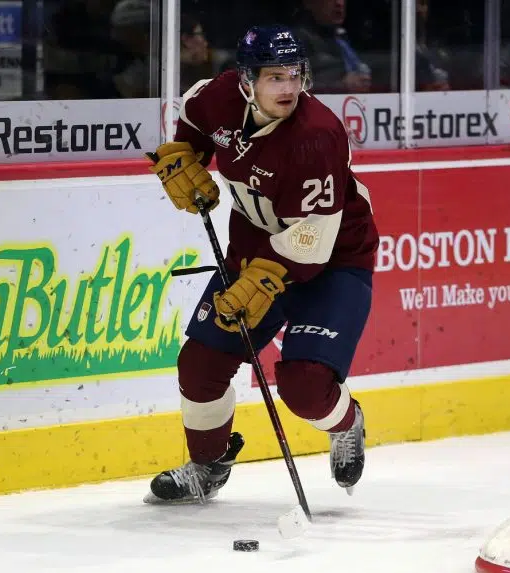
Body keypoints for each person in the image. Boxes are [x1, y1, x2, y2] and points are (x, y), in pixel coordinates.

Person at [145, 24, 378, 504]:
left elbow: (313, 240)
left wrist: (260, 280)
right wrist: (186, 156)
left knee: (304, 386)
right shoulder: (219, 97)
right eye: (276, 77)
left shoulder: (316, 136)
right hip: (255, 250)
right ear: (246, 79)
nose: (290, 87)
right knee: (200, 363)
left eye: (296, 75)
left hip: (333, 261)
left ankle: (347, 421)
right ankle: (207, 466)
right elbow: (192, 118)